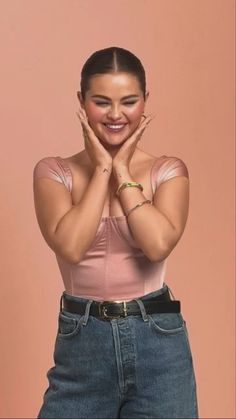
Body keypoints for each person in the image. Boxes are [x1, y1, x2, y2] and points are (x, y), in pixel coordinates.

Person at [33, 46, 199, 418]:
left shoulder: (168, 171)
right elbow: (72, 246)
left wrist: (122, 170)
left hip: (159, 342)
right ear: (81, 101)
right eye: (101, 101)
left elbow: (156, 245)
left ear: (145, 101)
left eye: (128, 101)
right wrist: (104, 169)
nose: (115, 114)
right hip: (82, 344)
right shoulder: (53, 172)